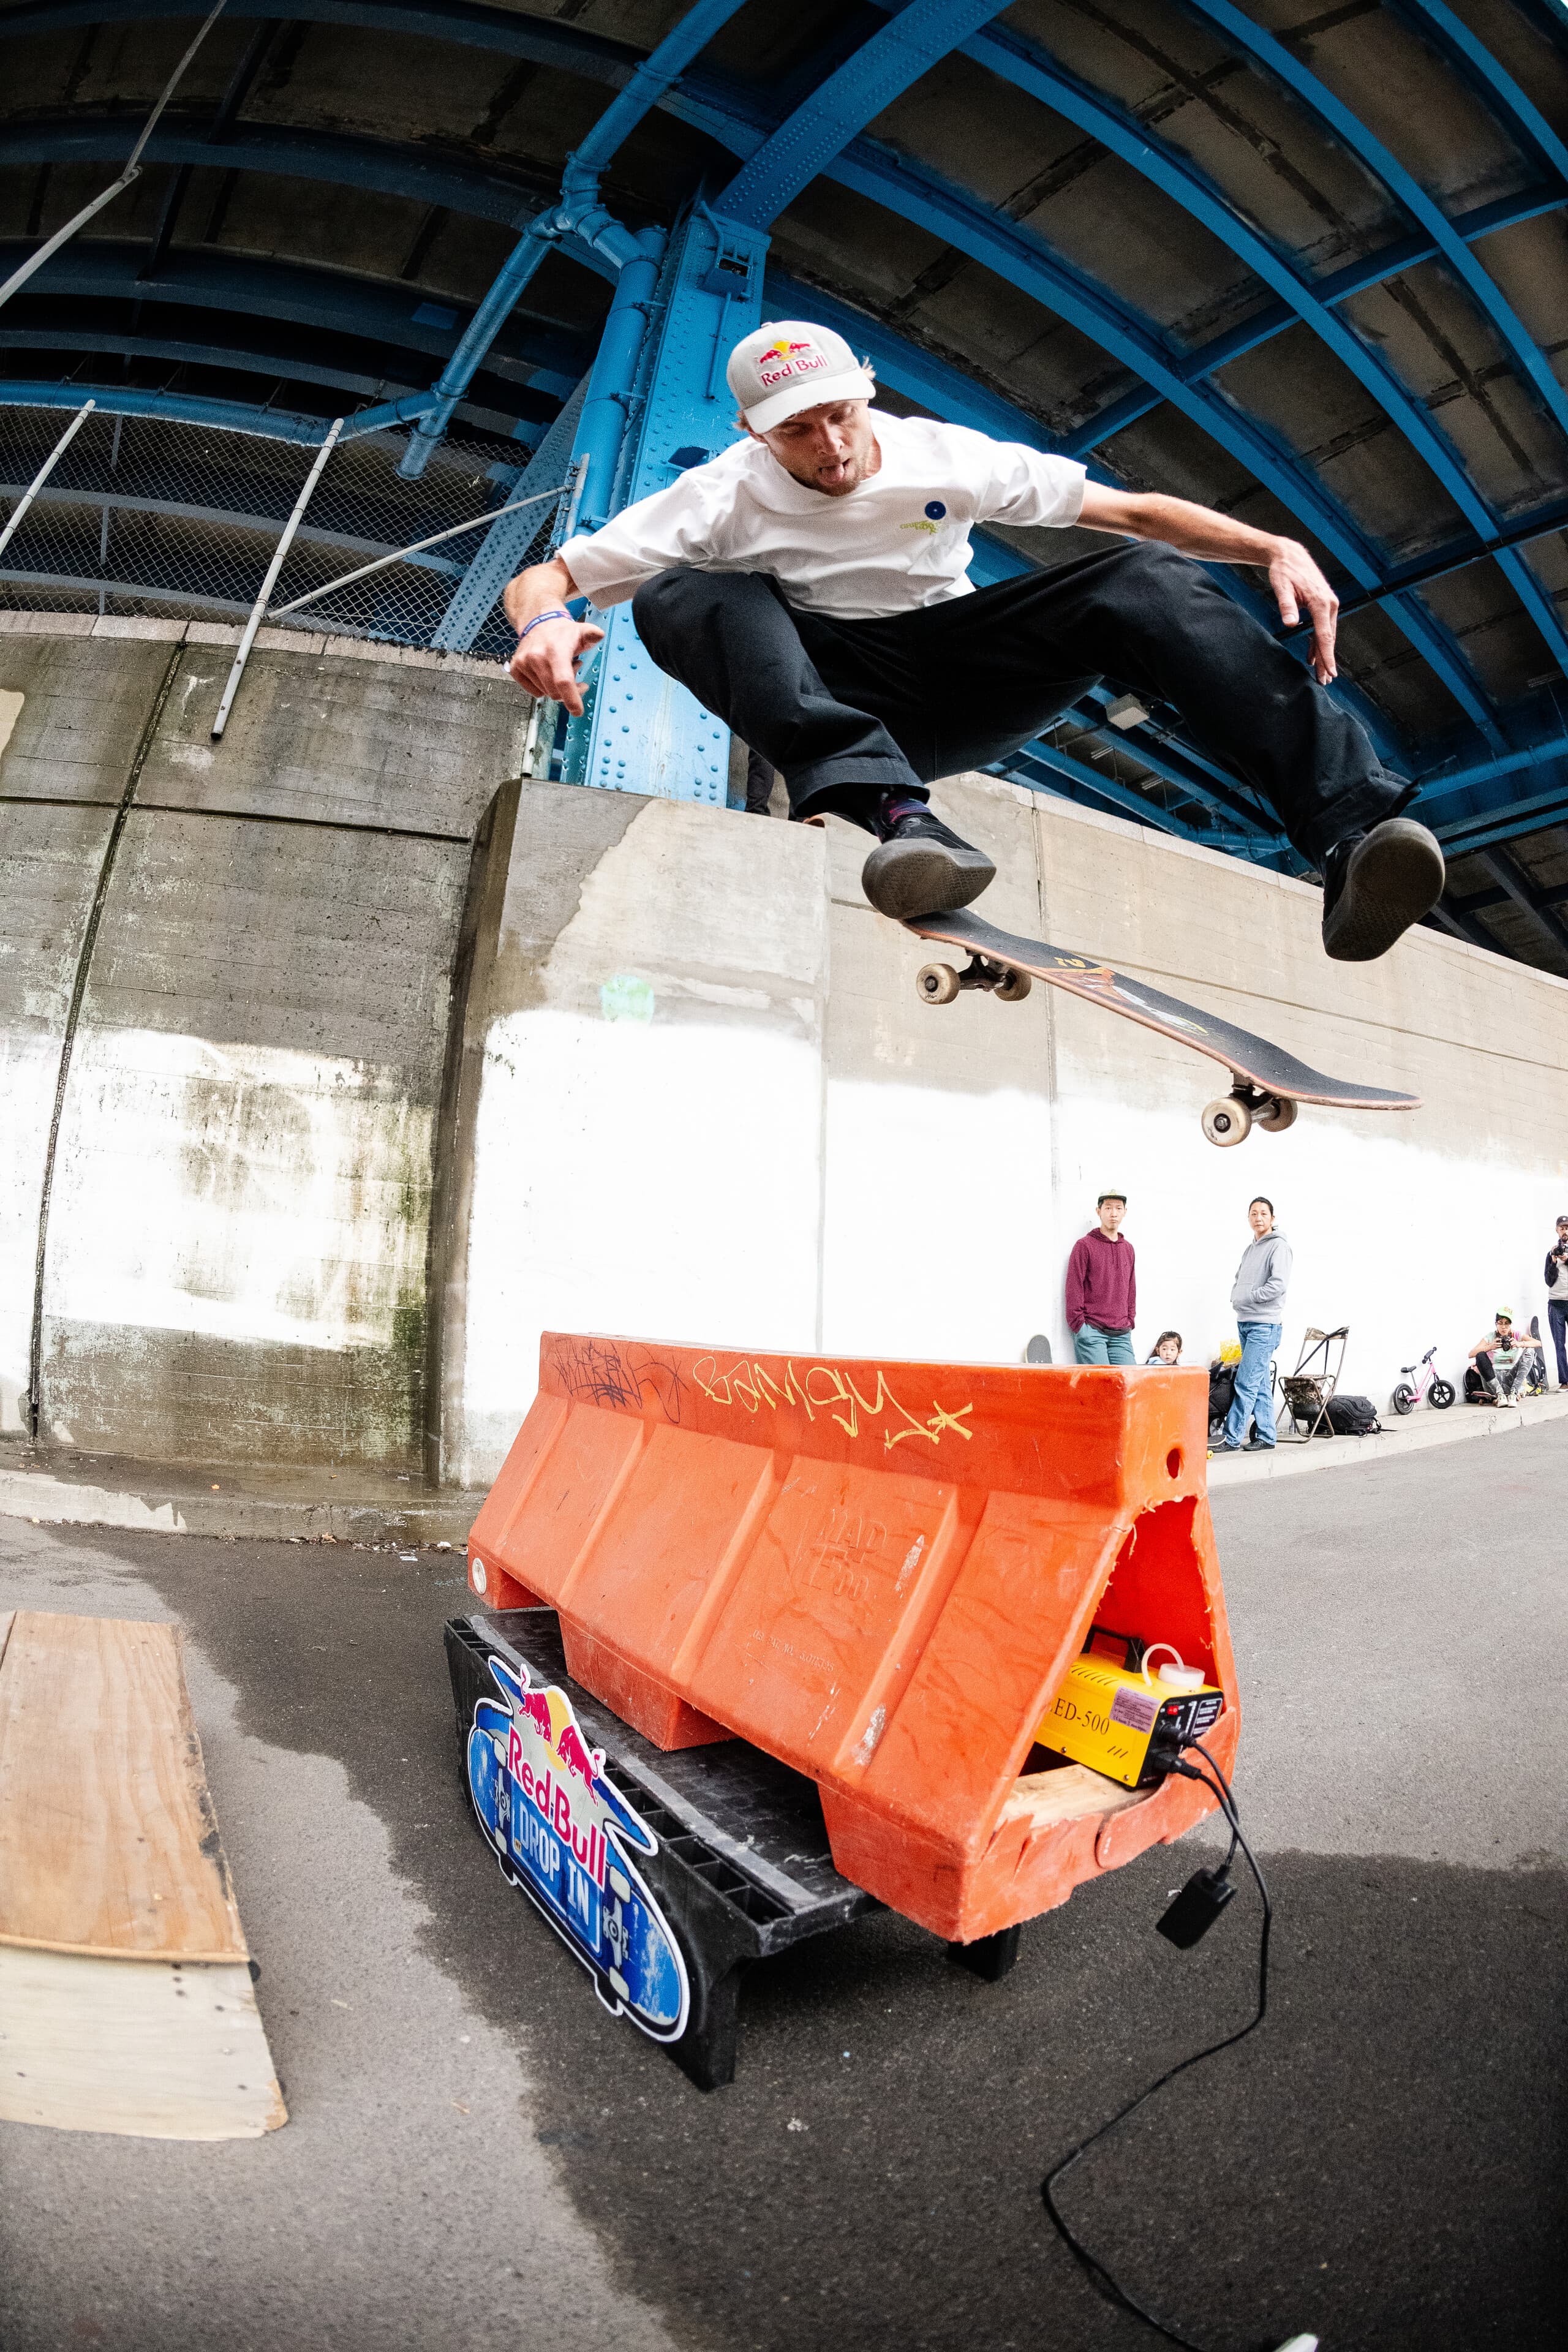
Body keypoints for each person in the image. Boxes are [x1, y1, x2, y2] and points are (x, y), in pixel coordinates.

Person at [505, 318, 1446, 957]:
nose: (831, 448)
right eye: (798, 433)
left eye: (842, 415)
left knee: (1139, 580)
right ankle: (904, 827)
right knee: (681, 592)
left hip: (971, 673)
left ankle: (1350, 837)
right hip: (851, 692)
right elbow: (545, 575)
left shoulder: (947, 458)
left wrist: (1272, 544)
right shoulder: (717, 498)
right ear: (753, 432)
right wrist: (546, 621)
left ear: (866, 391)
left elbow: (1137, 513)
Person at [1219, 1199, 1291, 1453]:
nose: (1258, 1218)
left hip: (1264, 1325)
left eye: (1263, 1213)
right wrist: (1236, 1296)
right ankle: (1267, 1436)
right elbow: (1240, 1279)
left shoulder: (1279, 1247)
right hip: (1246, 1322)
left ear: (1272, 1218)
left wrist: (1250, 1297)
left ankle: (1231, 1438)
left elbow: (1278, 1285)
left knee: (1245, 1383)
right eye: (1253, 1213)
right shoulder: (1251, 1249)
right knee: (1258, 1384)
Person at [1065, 1193, 1136, 1366]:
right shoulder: (1084, 1246)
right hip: (1092, 1331)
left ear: (1125, 1212)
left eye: (1119, 1208)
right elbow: (1074, 1287)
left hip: (1121, 1334)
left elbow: (1131, 1288)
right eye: (1108, 1208)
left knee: (1130, 1384)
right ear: (1099, 1211)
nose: (1114, 1213)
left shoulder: (1128, 1249)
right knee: (1100, 1387)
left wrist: (1130, 1320)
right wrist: (1080, 1327)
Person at [1465, 1311, 1530, 1406]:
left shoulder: (1516, 1335)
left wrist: (1520, 1344)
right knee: (1480, 1355)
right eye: (1500, 1323)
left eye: (1506, 1323)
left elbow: (1538, 1343)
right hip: (1494, 1382)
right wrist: (1490, 1347)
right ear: (1496, 1324)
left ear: (1510, 1324)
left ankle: (1513, 1394)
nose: (1503, 1327)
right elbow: (1471, 1354)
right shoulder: (1490, 1337)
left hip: (1511, 1380)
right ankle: (1500, 1395)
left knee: (1530, 1351)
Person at [1544, 1216, 1568, 1387]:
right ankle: (1565, 1382)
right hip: (1556, 1303)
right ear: (1557, 1230)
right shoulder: (1552, 1253)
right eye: (1562, 1228)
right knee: (1559, 1344)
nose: (1565, 1231)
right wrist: (1553, 1262)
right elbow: (1548, 1281)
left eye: (1567, 1228)